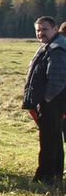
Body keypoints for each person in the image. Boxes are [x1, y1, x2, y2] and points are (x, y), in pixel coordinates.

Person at [22, 16, 66, 186]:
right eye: (38, 30)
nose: (40, 33)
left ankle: (45, 176)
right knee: (54, 138)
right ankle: (55, 173)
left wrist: (46, 100)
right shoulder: (49, 46)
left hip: (52, 103)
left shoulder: (57, 49)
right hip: (51, 103)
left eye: (44, 29)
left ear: (55, 29)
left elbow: (57, 80)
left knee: (48, 140)